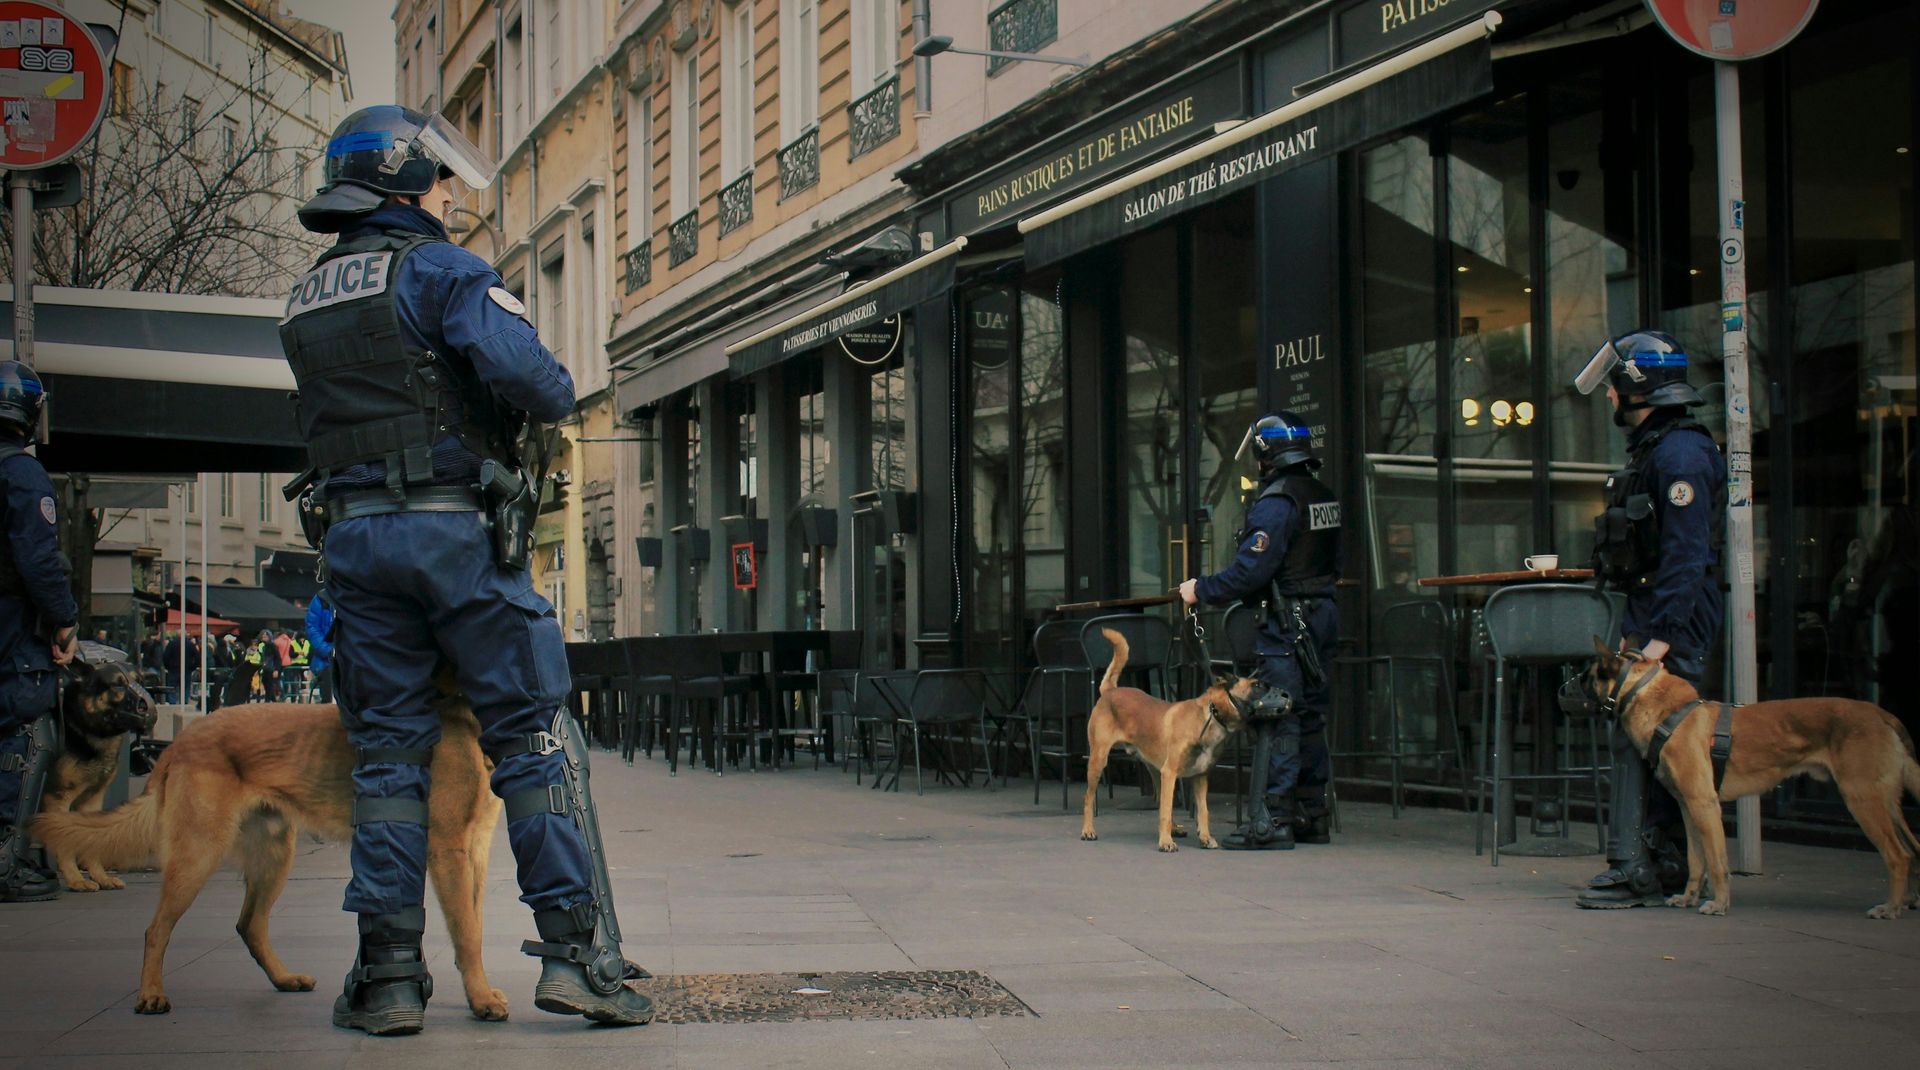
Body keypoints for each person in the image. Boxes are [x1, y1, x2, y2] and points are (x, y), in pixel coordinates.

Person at [283, 104, 651, 1034]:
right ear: (408, 182)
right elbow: (543, 386)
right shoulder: (445, 271)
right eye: (441, 180)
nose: (452, 195)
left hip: (355, 544)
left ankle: (391, 980)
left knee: (388, 758)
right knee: (529, 740)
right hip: (453, 536)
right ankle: (575, 958)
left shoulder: (314, 291)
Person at [1569, 329, 1726, 909]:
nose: (1609, 397)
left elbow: (1687, 556)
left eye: (1614, 386)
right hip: (1653, 607)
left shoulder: (1680, 453)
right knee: (1647, 744)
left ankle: (1637, 865)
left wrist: (1661, 638)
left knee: (1652, 741)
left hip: (1670, 614)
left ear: (1638, 388)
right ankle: (1658, 863)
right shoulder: (1660, 447)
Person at [1179, 412, 1341, 850]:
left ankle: (1271, 821)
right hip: (1321, 614)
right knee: (1308, 716)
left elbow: (1250, 573)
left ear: (1265, 452)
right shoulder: (1321, 494)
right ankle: (1312, 814)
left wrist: (1200, 590)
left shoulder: (1277, 501)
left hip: (1289, 621)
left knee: (1278, 715)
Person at [0, 361, 79, 903]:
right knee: (25, 736)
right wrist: (63, 617)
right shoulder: (22, 474)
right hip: (11, 625)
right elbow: (38, 560)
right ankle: (7, 861)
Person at [304, 596, 335, 705]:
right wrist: (329, 651)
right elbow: (312, 628)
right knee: (328, 702)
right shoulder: (322, 599)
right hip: (327, 662)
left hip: (353, 660)